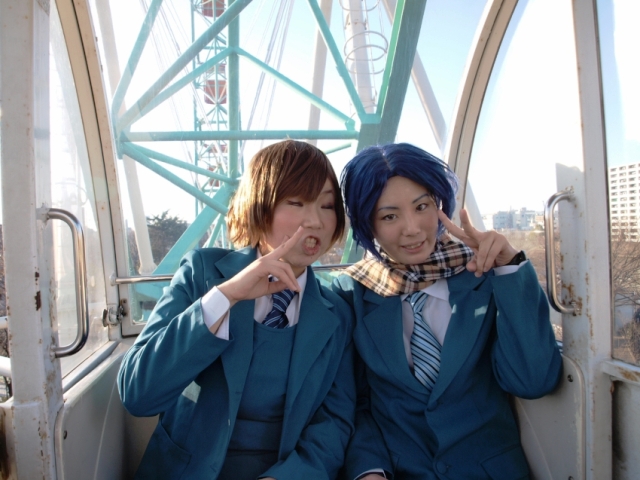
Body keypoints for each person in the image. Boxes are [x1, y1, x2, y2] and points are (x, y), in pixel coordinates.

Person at [118, 140, 355, 480]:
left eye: (327, 205)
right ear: (261, 205)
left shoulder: (338, 314)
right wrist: (225, 297)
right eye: (296, 202)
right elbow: (138, 393)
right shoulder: (202, 274)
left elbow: (334, 423)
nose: (315, 220)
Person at [333, 143, 563, 479]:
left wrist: (510, 268)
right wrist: (369, 469)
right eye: (389, 216)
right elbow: (355, 404)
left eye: (422, 206)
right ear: (368, 225)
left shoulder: (482, 278)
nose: (412, 228)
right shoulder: (351, 295)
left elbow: (533, 381)